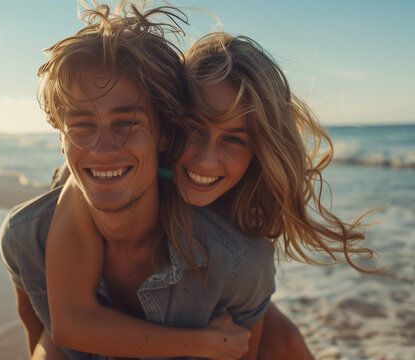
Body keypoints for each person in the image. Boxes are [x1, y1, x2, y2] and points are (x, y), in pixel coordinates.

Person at [41, 11, 377, 360]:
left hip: (232, 287)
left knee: (287, 343)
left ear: (260, 149)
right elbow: (68, 324)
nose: (204, 159)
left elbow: (242, 336)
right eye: (194, 129)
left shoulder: (247, 229)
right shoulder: (105, 180)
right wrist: (200, 343)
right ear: (168, 123)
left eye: (234, 140)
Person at [1, 3, 285, 360]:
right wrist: (198, 343)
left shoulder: (239, 264)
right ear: (60, 137)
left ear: (166, 133)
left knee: (286, 341)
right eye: (82, 125)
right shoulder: (26, 241)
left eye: (126, 123)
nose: (103, 150)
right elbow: (55, 334)